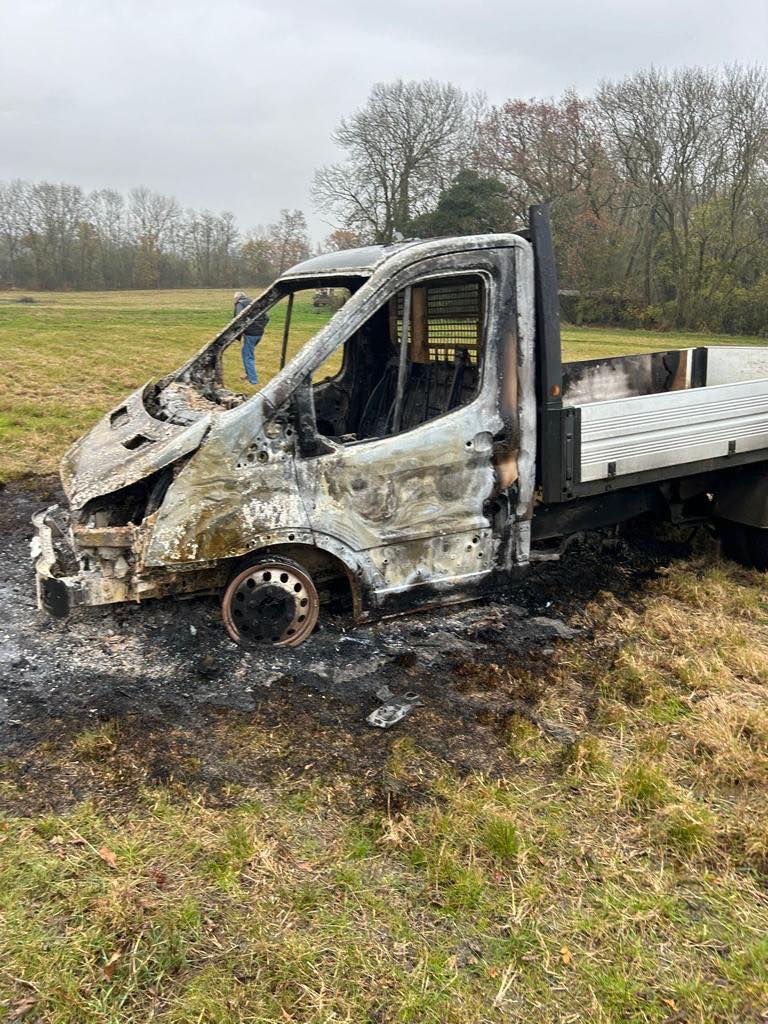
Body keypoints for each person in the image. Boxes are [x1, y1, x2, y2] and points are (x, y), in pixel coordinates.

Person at [233, 291, 269, 385]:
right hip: (259, 333)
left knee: (248, 356)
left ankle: (253, 380)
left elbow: (238, 318)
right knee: (247, 353)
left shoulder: (240, 304)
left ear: (237, 298)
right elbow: (267, 317)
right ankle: (248, 374)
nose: (234, 301)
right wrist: (260, 327)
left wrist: (238, 332)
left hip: (251, 334)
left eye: (234, 299)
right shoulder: (253, 302)